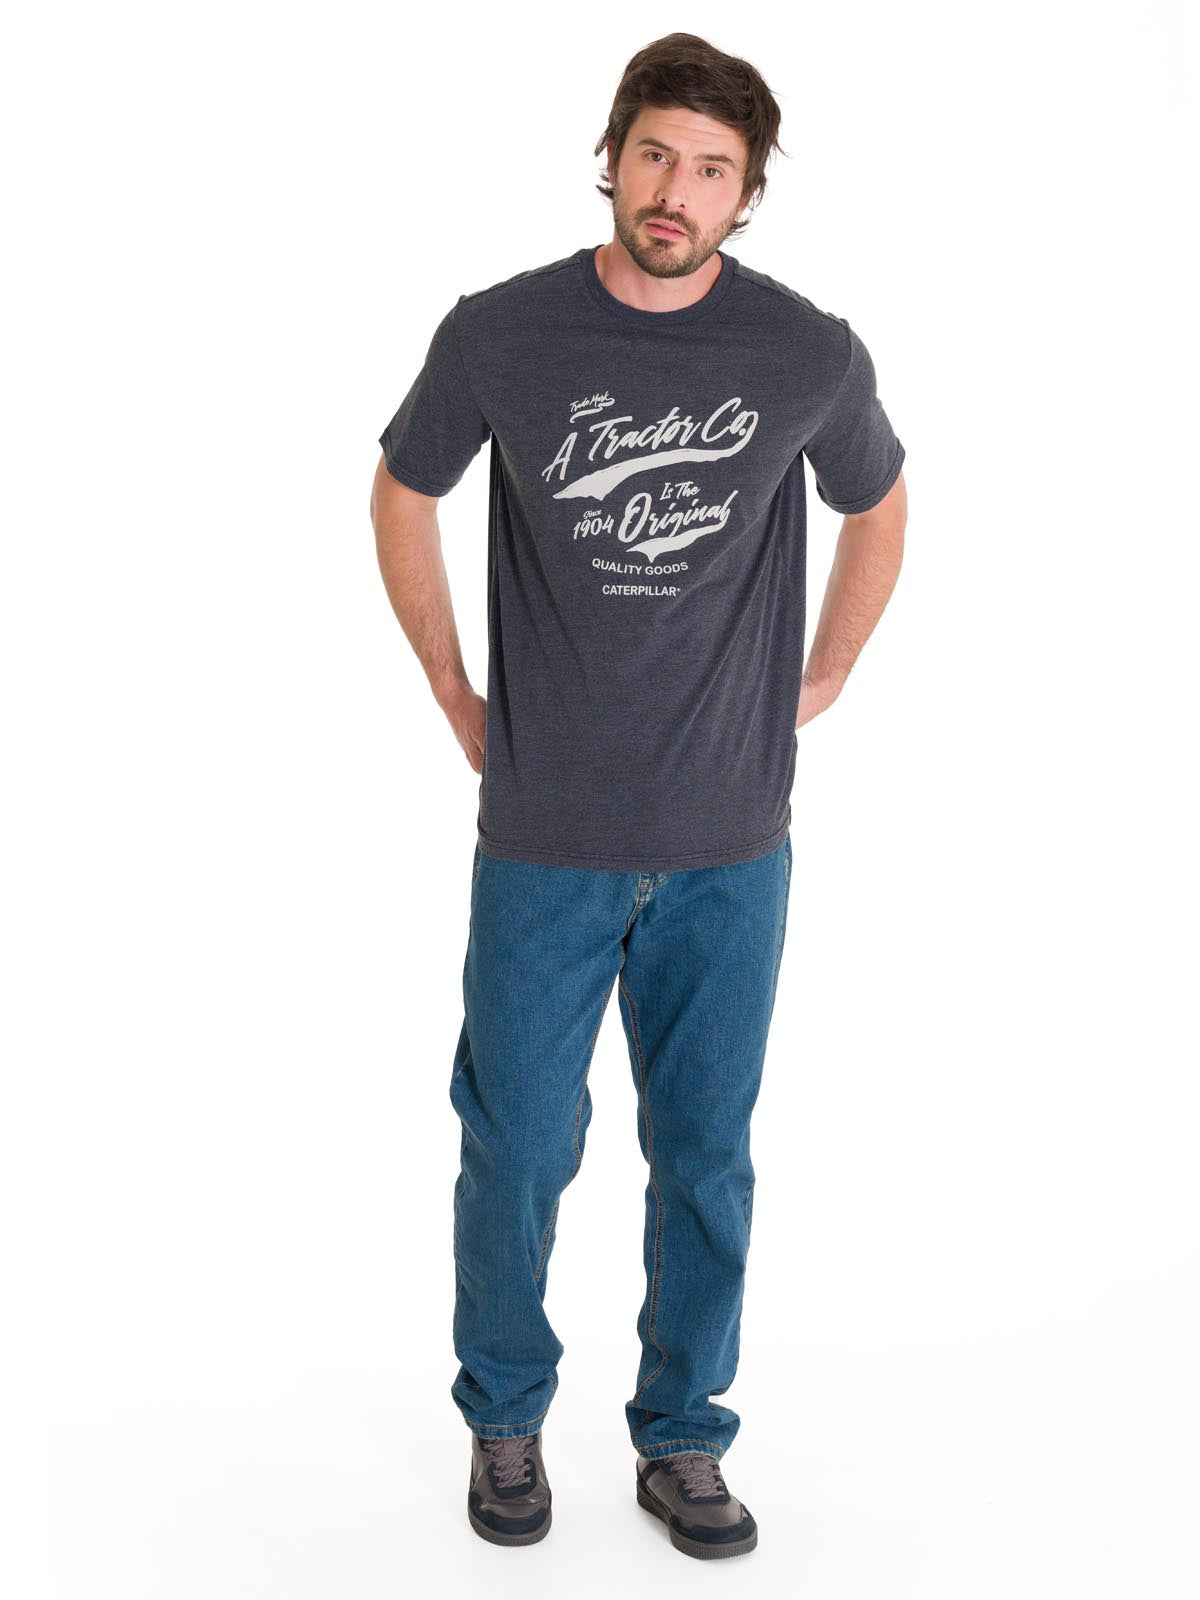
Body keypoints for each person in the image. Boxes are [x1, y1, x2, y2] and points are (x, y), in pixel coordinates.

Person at [369, 32, 907, 1561]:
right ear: (612, 158)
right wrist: (451, 688)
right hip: (545, 841)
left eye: (713, 169)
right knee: (518, 1148)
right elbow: (404, 488)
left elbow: (878, 502)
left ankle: (683, 1438)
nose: (678, 190)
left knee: (708, 1157)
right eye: (657, 154)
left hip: (732, 846)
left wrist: (828, 670)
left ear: (748, 193)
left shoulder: (803, 352)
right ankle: (505, 1416)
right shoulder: (502, 334)